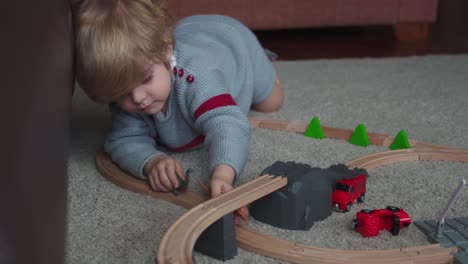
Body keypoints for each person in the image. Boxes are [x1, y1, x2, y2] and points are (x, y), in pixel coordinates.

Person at [73, 0, 283, 199]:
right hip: (189, 32)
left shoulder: (197, 76)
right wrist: (152, 162)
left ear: (166, 50)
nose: (137, 98)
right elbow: (123, 140)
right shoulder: (129, 82)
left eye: (146, 78)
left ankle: (264, 61)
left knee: (270, 102)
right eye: (121, 92)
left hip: (233, 42)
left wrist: (223, 174)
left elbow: (228, 125)